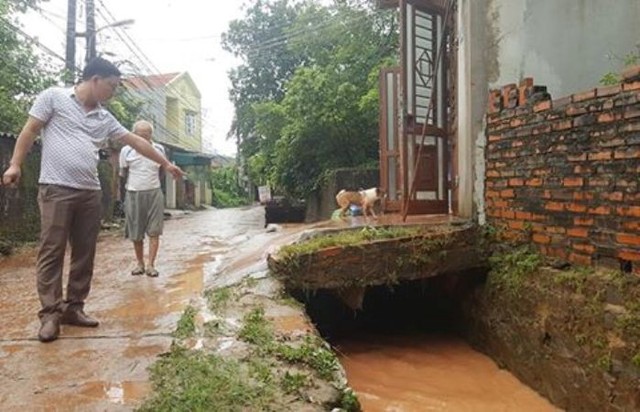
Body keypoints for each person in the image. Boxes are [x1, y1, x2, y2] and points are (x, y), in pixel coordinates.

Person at [1, 57, 184, 343]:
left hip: (89, 192)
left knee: (85, 253)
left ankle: (74, 308)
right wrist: (15, 164)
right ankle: (50, 314)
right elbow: (30, 130)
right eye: (111, 87)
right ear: (95, 80)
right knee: (52, 251)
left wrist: (166, 164)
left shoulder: (104, 117)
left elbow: (135, 142)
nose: (112, 93)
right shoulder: (53, 97)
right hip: (56, 188)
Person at [119, 120, 165, 278]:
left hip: (154, 192)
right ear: (134, 134)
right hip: (133, 193)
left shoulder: (159, 149)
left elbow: (162, 171)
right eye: (140, 135)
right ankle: (140, 263)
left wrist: (157, 188)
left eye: (146, 135)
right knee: (136, 232)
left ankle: (151, 265)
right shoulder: (126, 151)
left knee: (154, 231)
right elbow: (122, 174)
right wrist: (122, 198)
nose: (143, 139)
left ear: (151, 135)